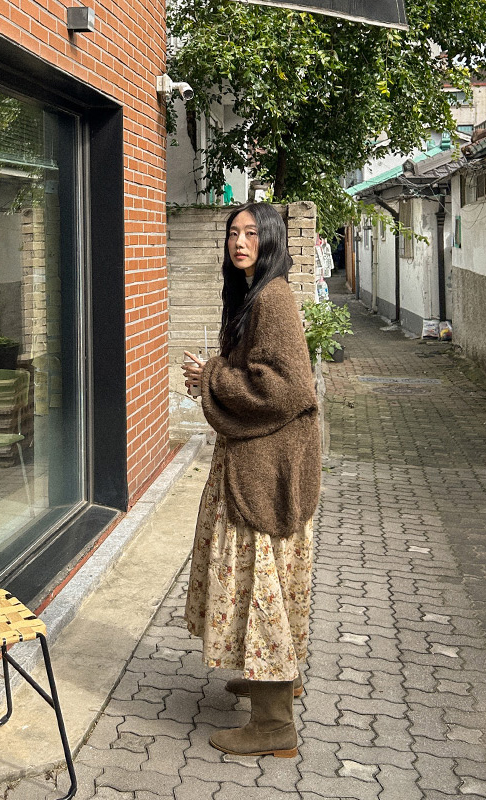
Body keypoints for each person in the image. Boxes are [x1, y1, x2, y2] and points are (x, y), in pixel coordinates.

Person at [181, 202, 321, 758]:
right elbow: (258, 376)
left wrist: (212, 376)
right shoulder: (252, 296)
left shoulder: (273, 298)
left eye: (251, 233)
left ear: (271, 240)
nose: (239, 242)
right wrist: (212, 380)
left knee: (260, 581)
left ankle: (274, 723)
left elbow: (287, 388)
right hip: (258, 462)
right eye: (232, 233)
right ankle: (275, 676)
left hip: (266, 471)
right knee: (266, 580)